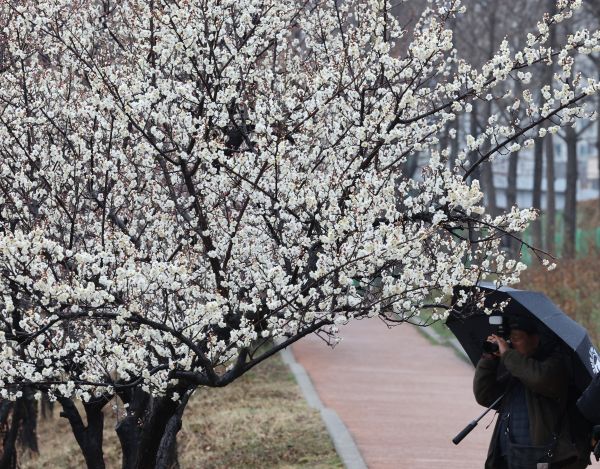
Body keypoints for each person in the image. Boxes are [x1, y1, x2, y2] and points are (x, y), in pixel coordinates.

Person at [473, 315, 590, 469]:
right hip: (510, 455)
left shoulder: (554, 365)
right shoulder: (518, 371)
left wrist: (507, 354)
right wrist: (488, 358)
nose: (510, 344)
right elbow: (484, 395)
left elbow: (538, 378)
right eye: (509, 339)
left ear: (535, 339)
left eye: (516, 338)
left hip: (545, 458)